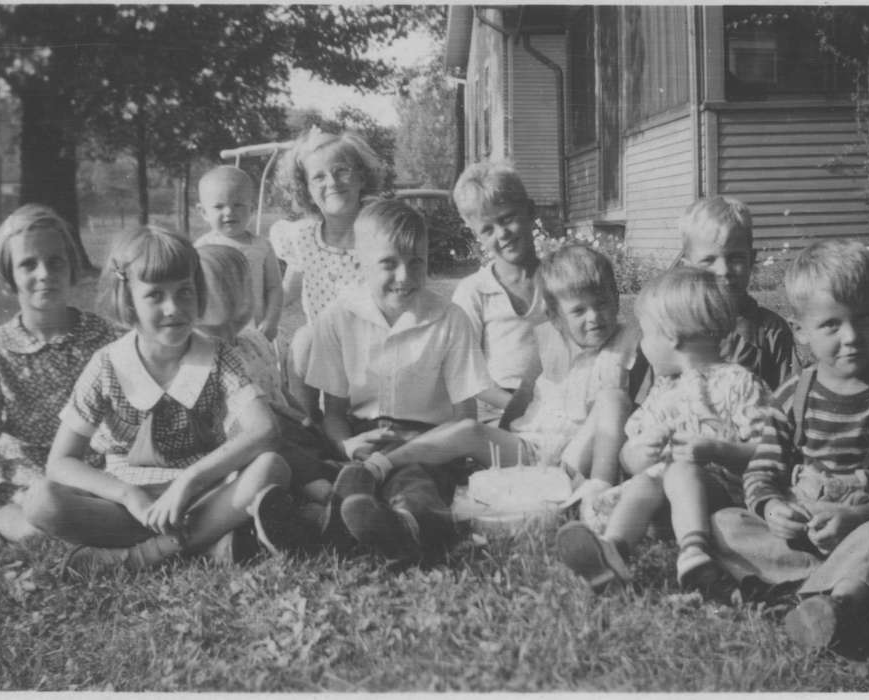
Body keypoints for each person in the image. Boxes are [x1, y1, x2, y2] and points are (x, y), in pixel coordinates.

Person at [22, 226, 304, 573]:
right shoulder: (108, 365)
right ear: (128, 301)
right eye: (155, 295)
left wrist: (188, 481)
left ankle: (143, 556)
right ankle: (210, 544)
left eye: (184, 292)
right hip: (130, 505)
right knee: (41, 502)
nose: (174, 308)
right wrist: (129, 495)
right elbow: (60, 462)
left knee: (272, 468)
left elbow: (265, 430)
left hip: (203, 496)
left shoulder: (217, 357)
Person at [710, 240, 869, 649]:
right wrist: (773, 508)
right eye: (831, 324)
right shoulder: (792, 395)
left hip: (863, 530)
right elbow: (763, 471)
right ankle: (801, 588)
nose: (851, 336)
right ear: (800, 331)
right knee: (726, 523)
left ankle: (839, 608)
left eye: (864, 317)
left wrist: (859, 514)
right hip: (801, 537)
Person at [344, 244, 635, 511]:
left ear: (616, 298)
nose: (594, 317)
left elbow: (635, 409)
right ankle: (376, 467)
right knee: (468, 429)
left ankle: (598, 494)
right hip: (529, 448)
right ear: (557, 318)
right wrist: (500, 432)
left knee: (613, 398)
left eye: (602, 304)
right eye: (579, 311)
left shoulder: (630, 344)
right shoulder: (548, 341)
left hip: (578, 454)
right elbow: (523, 398)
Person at [295, 199, 492, 565]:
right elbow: (334, 413)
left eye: (416, 262)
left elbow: (465, 421)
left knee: (415, 486)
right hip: (363, 438)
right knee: (342, 479)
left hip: (426, 444)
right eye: (389, 263)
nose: (405, 276)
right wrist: (348, 445)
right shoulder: (338, 319)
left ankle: (408, 529)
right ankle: (355, 522)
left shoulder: (449, 320)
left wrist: (424, 450)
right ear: (359, 263)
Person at [557, 267, 771, 596]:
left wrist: (718, 451)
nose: (642, 344)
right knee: (645, 481)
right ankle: (613, 550)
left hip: (722, 495)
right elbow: (629, 459)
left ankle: (694, 554)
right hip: (665, 501)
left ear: (670, 336)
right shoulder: (663, 390)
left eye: (646, 334)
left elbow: (766, 449)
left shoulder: (738, 381)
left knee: (681, 472)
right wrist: (638, 452)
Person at [0, 205, 120, 555]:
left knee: (109, 511)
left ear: (71, 266)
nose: (44, 273)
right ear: (9, 274)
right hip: (28, 487)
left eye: (55, 261)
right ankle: (92, 545)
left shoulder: (105, 338)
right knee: (23, 522)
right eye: (28, 264)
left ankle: (93, 540)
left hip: (97, 476)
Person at [196, 244, 335, 505]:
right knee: (276, 444)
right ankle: (324, 491)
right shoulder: (202, 356)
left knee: (315, 436)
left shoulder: (254, 340)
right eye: (227, 291)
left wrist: (304, 417)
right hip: (248, 443)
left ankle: (327, 477)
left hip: (288, 429)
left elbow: (279, 387)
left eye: (246, 289)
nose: (244, 300)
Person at [629, 196, 800, 407]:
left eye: (735, 258)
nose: (723, 271)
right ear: (688, 266)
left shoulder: (771, 332)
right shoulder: (670, 325)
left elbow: (788, 405)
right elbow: (646, 398)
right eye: (708, 260)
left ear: (752, 259)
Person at [269, 127, 385, 420]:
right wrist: (256, 307)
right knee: (303, 340)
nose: (332, 182)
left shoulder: (380, 227)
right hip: (324, 345)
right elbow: (287, 294)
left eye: (341, 171)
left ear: (360, 177)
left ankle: (363, 422)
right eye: (318, 177)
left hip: (376, 339)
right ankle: (308, 423)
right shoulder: (303, 236)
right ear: (305, 188)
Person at [450, 161, 549, 422]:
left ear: (530, 210)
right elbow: (464, 371)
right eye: (488, 229)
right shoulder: (474, 291)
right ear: (476, 235)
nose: (502, 234)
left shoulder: (558, 278)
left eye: (507, 219)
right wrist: (522, 408)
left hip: (554, 400)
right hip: (497, 409)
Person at [194, 165, 283, 342]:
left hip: (256, 331)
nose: (229, 212)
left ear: (252, 208)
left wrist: (271, 321)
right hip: (213, 331)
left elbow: (275, 288)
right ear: (204, 212)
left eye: (238, 205)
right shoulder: (201, 248)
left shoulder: (262, 246)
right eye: (219, 206)